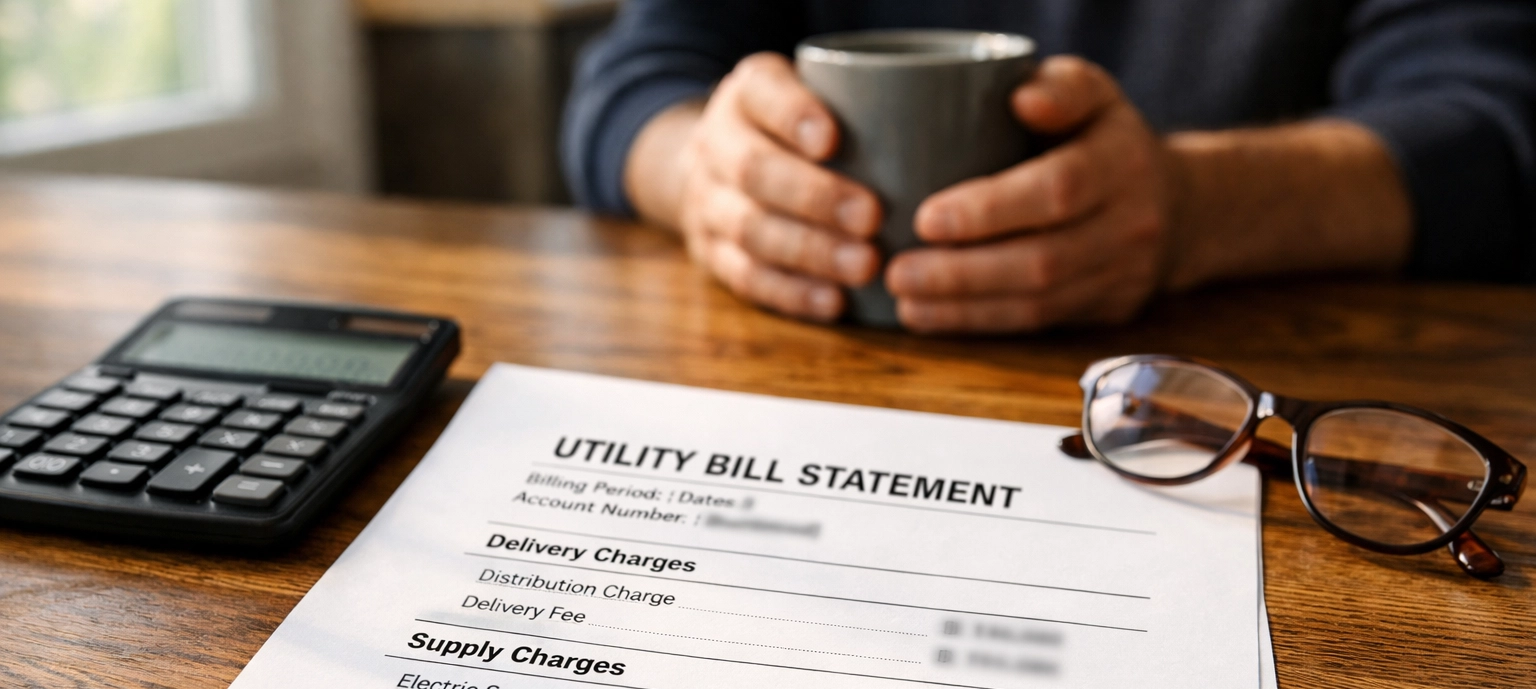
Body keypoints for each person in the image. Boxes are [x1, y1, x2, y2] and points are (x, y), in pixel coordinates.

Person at [562, 2, 1536, 334]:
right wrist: (710, 177)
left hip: (1226, 417)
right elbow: (630, 86)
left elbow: (1493, 128)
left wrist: (1194, 208)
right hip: (807, 397)